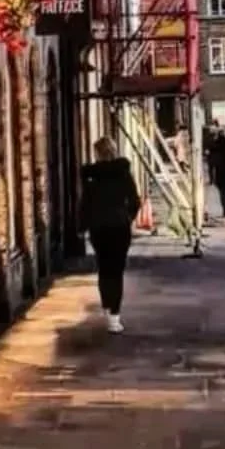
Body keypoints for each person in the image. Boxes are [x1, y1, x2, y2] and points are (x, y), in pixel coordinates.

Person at [80, 137, 140, 333]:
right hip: (119, 228)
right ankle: (115, 316)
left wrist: (83, 227)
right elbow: (135, 201)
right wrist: (126, 217)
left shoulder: (92, 176)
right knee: (117, 271)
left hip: (99, 228)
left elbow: (85, 205)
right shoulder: (123, 173)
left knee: (104, 269)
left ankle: (107, 306)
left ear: (97, 153)